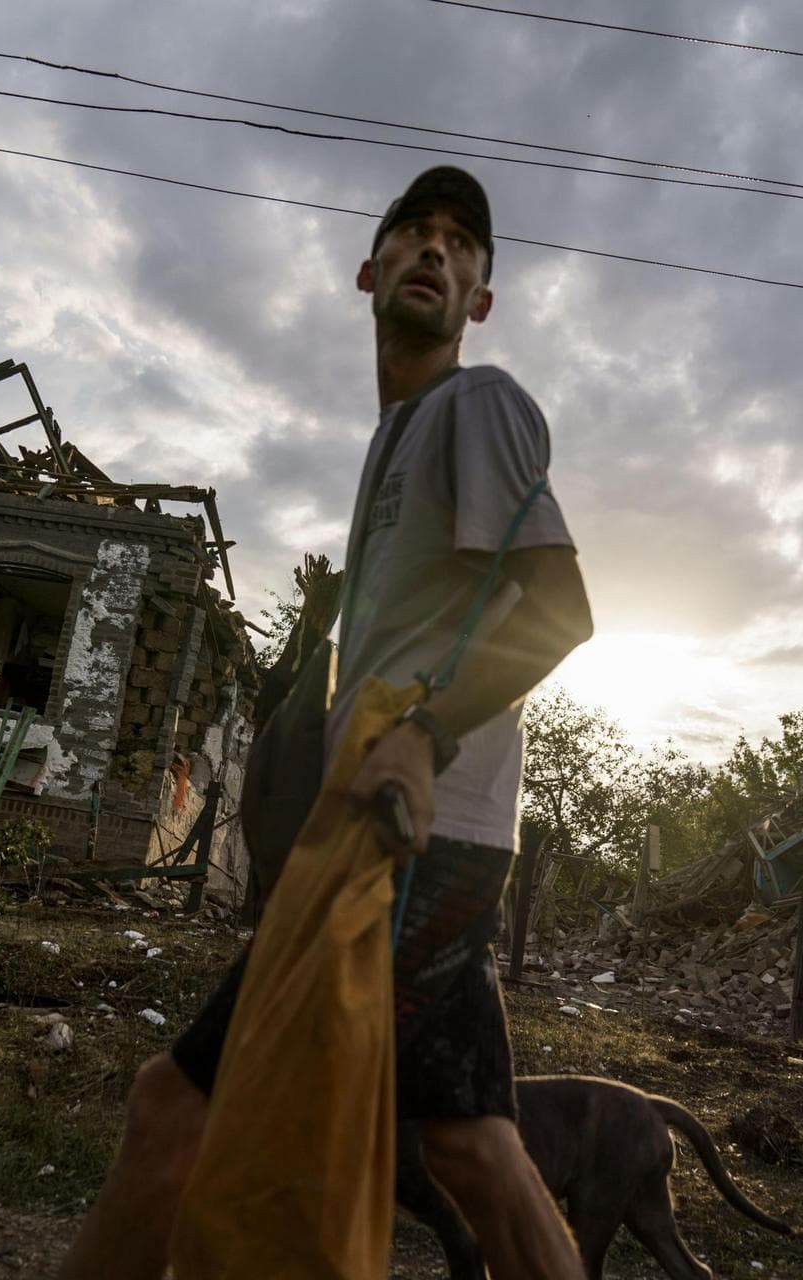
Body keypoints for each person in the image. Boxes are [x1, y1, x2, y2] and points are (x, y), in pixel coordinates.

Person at [59, 165, 593, 1280]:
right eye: (416, 233)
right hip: (429, 831)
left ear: (481, 300)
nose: (436, 251)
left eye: (462, 246)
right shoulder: (391, 444)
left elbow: (559, 610)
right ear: (370, 268)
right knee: (475, 1143)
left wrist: (424, 736)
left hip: (409, 832)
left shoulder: (474, 405)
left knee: (174, 1109)